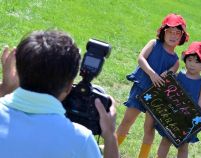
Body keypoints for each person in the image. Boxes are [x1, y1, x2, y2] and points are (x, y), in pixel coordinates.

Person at [0, 30, 119, 158]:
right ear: (69, 86)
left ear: (18, 70)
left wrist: (5, 89)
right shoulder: (80, 140)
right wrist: (110, 135)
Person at [116, 13, 189, 158]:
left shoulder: (175, 61)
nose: (173, 35)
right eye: (170, 31)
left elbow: (169, 76)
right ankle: (112, 147)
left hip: (156, 97)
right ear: (163, 32)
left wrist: (167, 74)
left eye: (177, 33)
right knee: (127, 120)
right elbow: (141, 58)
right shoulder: (153, 44)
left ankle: (143, 156)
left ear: (181, 37)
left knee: (148, 129)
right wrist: (152, 74)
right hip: (141, 87)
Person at [156, 41, 201, 158]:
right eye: (190, 60)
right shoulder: (178, 76)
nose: (192, 64)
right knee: (166, 140)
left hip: (188, 119)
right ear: (185, 59)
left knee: (183, 146)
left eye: (197, 62)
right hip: (173, 115)